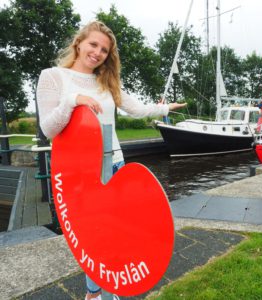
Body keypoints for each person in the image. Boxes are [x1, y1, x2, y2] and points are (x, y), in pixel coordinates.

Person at [36, 21, 186, 300]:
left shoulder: (106, 81)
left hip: (115, 166)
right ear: (79, 43)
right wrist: (72, 100)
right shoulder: (53, 76)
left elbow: (136, 108)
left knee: (116, 235)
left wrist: (165, 107)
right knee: (93, 237)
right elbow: (48, 129)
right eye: (93, 45)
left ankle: (111, 287)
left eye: (104, 50)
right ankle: (93, 295)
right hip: (79, 174)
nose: (98, 53)